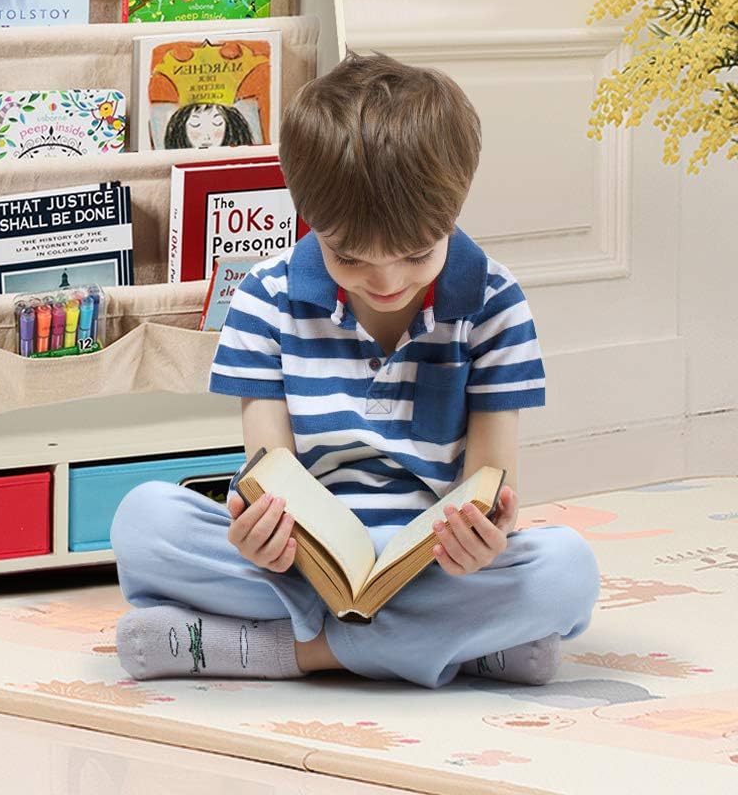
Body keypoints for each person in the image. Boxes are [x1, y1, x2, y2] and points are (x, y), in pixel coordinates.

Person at [110, 52, 600, 689]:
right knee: (145, 520)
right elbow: (272, 472)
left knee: (567, 570)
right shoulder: (264, 297)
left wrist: (487, 536)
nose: (387, 281)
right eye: (349, 258)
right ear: (309, 219)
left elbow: (487, 483)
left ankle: (284, 651)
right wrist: (260, 532)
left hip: (429, 566)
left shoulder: (493, 302)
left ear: (453, 214)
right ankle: (459, 646)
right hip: (303, 564)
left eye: (417, 254)